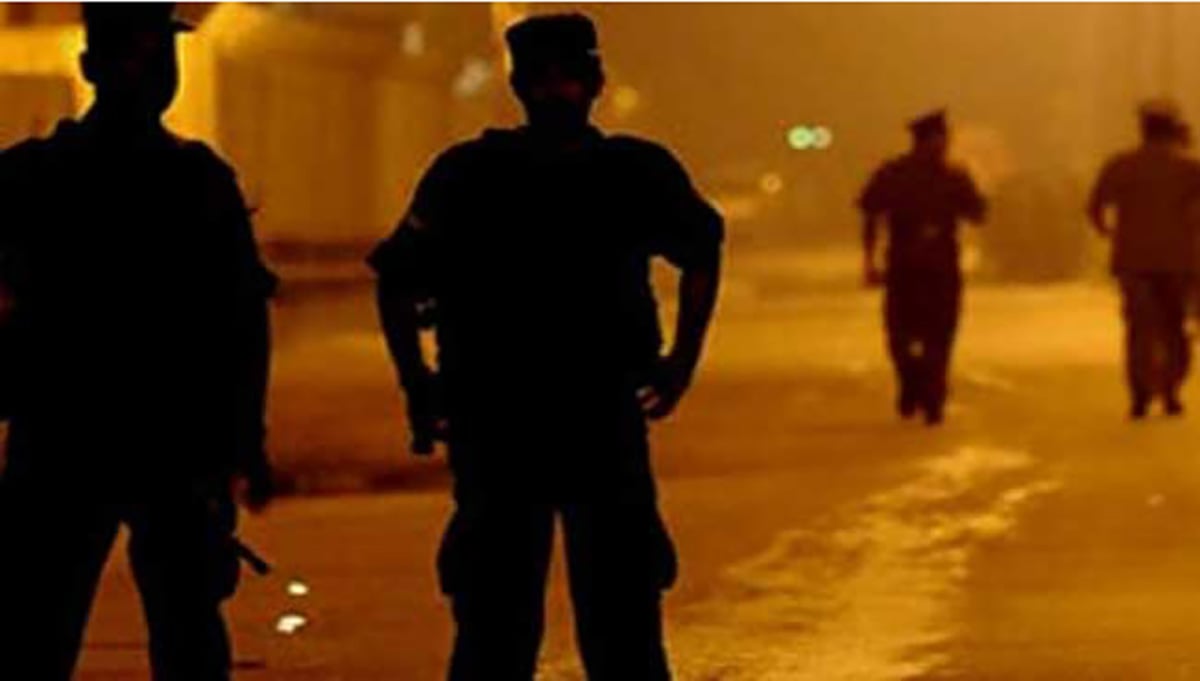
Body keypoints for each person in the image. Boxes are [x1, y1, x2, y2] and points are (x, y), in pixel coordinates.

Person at [369, 13, 722, 680]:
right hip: (520, 420)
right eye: (544, 78)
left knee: (610, 627)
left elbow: (705, 249)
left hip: (566, 418)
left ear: (593, 82)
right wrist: (417, 386)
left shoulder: (500, 173)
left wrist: (682, 362)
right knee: (508, 627)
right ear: (521, 85)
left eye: (567, 76)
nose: (556, 90)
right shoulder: (483, 174)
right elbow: (396, 279)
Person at [0, 4, 276, 679]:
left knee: (37, 629)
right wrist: (245, 442)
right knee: (185, 634)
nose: (152, 74)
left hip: (63, 437)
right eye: (145, 58)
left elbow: (242, 322)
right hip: (167, 444)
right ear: (94, 66)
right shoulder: (197, 181)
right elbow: (242, 325)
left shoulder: (29, 177)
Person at [859, 110, 987, 425]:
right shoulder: (899, 174)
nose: (943, 145)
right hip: (910, 266)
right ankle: (913, 381)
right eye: (940, 139)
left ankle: (931, 392)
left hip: (932, 266)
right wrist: (869, 260)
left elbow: (977, 213)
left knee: (936, 334)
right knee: (903, 335)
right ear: (928, 141)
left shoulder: (946, 175)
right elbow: (870, 214)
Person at [1088, 99, 1200, 419]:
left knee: (1139, 328)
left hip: (1133, 261)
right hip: (1179, 261)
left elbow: (1096, 207)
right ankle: (1170, 388)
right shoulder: (1189, 168)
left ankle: (1140, 392)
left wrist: (1109, 232)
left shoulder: (1121, 165)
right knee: (1175, 327)